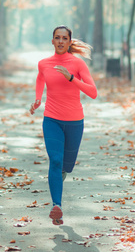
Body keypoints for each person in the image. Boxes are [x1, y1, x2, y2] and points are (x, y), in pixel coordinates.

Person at [29, 25, 97, 225]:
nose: (60, 41)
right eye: (57, 38)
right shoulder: (44, 63)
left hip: (75, 121)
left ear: (69, 41)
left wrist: (71, 78)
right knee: (55, 161)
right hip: (52, 119)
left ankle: (61, 175)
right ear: (52, 41)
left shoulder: (78, 64)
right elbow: (40, 78)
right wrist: (37, 99)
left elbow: (93, 92)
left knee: (67, 165)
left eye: (64, 38)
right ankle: (56, 206)